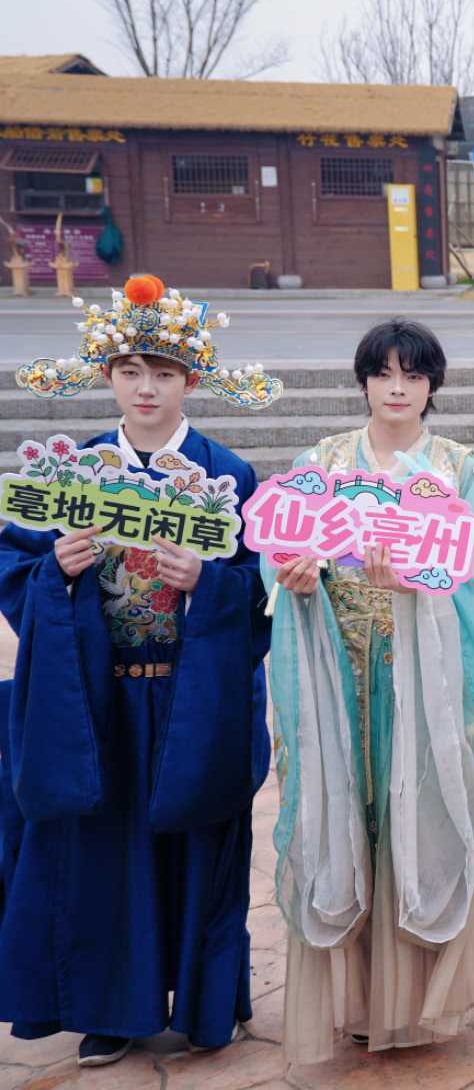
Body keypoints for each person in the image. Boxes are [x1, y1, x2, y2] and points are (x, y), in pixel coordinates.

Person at [0, 277, 277, 1068]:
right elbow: (10, 561)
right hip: (99, 699)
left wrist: (211, 584)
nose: (146, 387)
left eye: (162, 371)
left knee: (198, 846)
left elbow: (262, 587)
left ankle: (202, 1003)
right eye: (130, 371)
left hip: (193, 695)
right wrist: (53, 567)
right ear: (109, 378)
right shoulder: (74, 470)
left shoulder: (228, 475)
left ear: (191, 379)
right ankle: (109, 1009)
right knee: (103, 853)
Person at [265, 319, 474, 1063]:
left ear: (433, 384)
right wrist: (296, 582)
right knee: (348, 817)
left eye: (413, 374)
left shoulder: (455, 468)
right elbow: (281, 555)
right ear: (364, 381)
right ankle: (359, 1002)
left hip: (424, 677)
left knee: (424, 812)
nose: (397, 388)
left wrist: (421, 591)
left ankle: (419, 1004)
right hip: (340, 673)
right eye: (383, 374)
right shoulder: (322, 464)